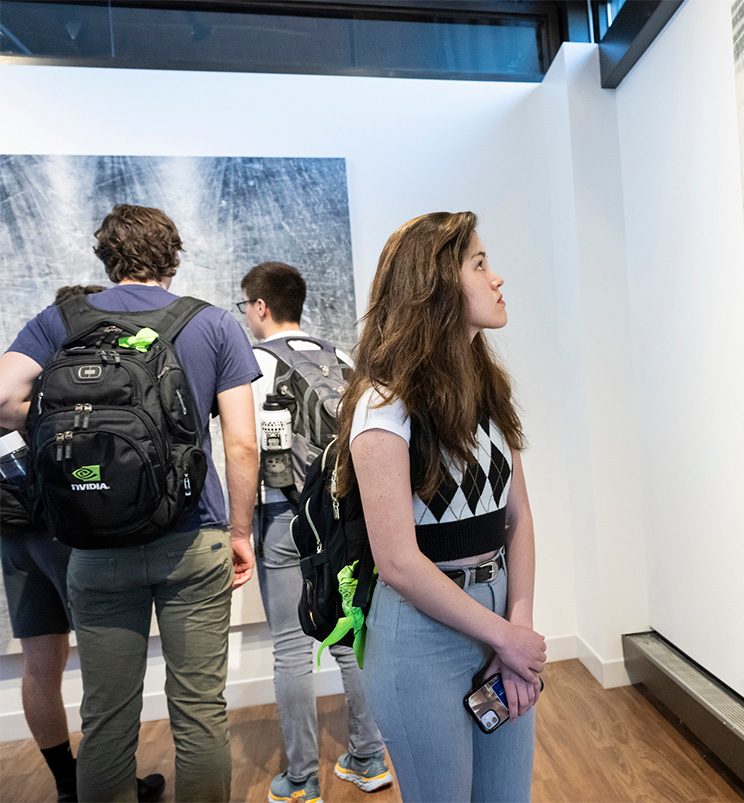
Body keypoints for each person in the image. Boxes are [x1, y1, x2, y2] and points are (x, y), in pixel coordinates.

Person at [0, 204, 260, 802]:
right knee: (199, 712)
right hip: (194, 537)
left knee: (106, 717)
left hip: (93, 544)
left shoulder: (59, 319)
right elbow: (243, 442)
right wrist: (240, 530)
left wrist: (52, 423)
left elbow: (5, 399)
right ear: (173, 254)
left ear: (106, 255)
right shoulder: (214, 324)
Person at [335, 211, 545, 802]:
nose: (497, 278)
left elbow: (518, 518)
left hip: (499, 617)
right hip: (418, 634)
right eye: (479, 264)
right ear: (435, 286)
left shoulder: (490, 391)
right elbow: (398, 561)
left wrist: (517, 628)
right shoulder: (385, 403)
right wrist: (504, 637)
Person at [0, 283, 166, 803]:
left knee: (39, 666)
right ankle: (108, 782)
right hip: (63, 532)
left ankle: (70, 783)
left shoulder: (25, 373)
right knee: (106, 667)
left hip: (13, 531)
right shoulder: (74, 377)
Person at [239, 261, 393, 802]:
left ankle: (302, 780)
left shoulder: (250, 362)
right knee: (349, 629)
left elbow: (243, 451)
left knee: (290, 647)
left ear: (260, 307)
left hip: (282, 517)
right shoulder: (344, 358)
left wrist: (238, 526)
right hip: (344, 518)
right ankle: (369, 758)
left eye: (246, 307)